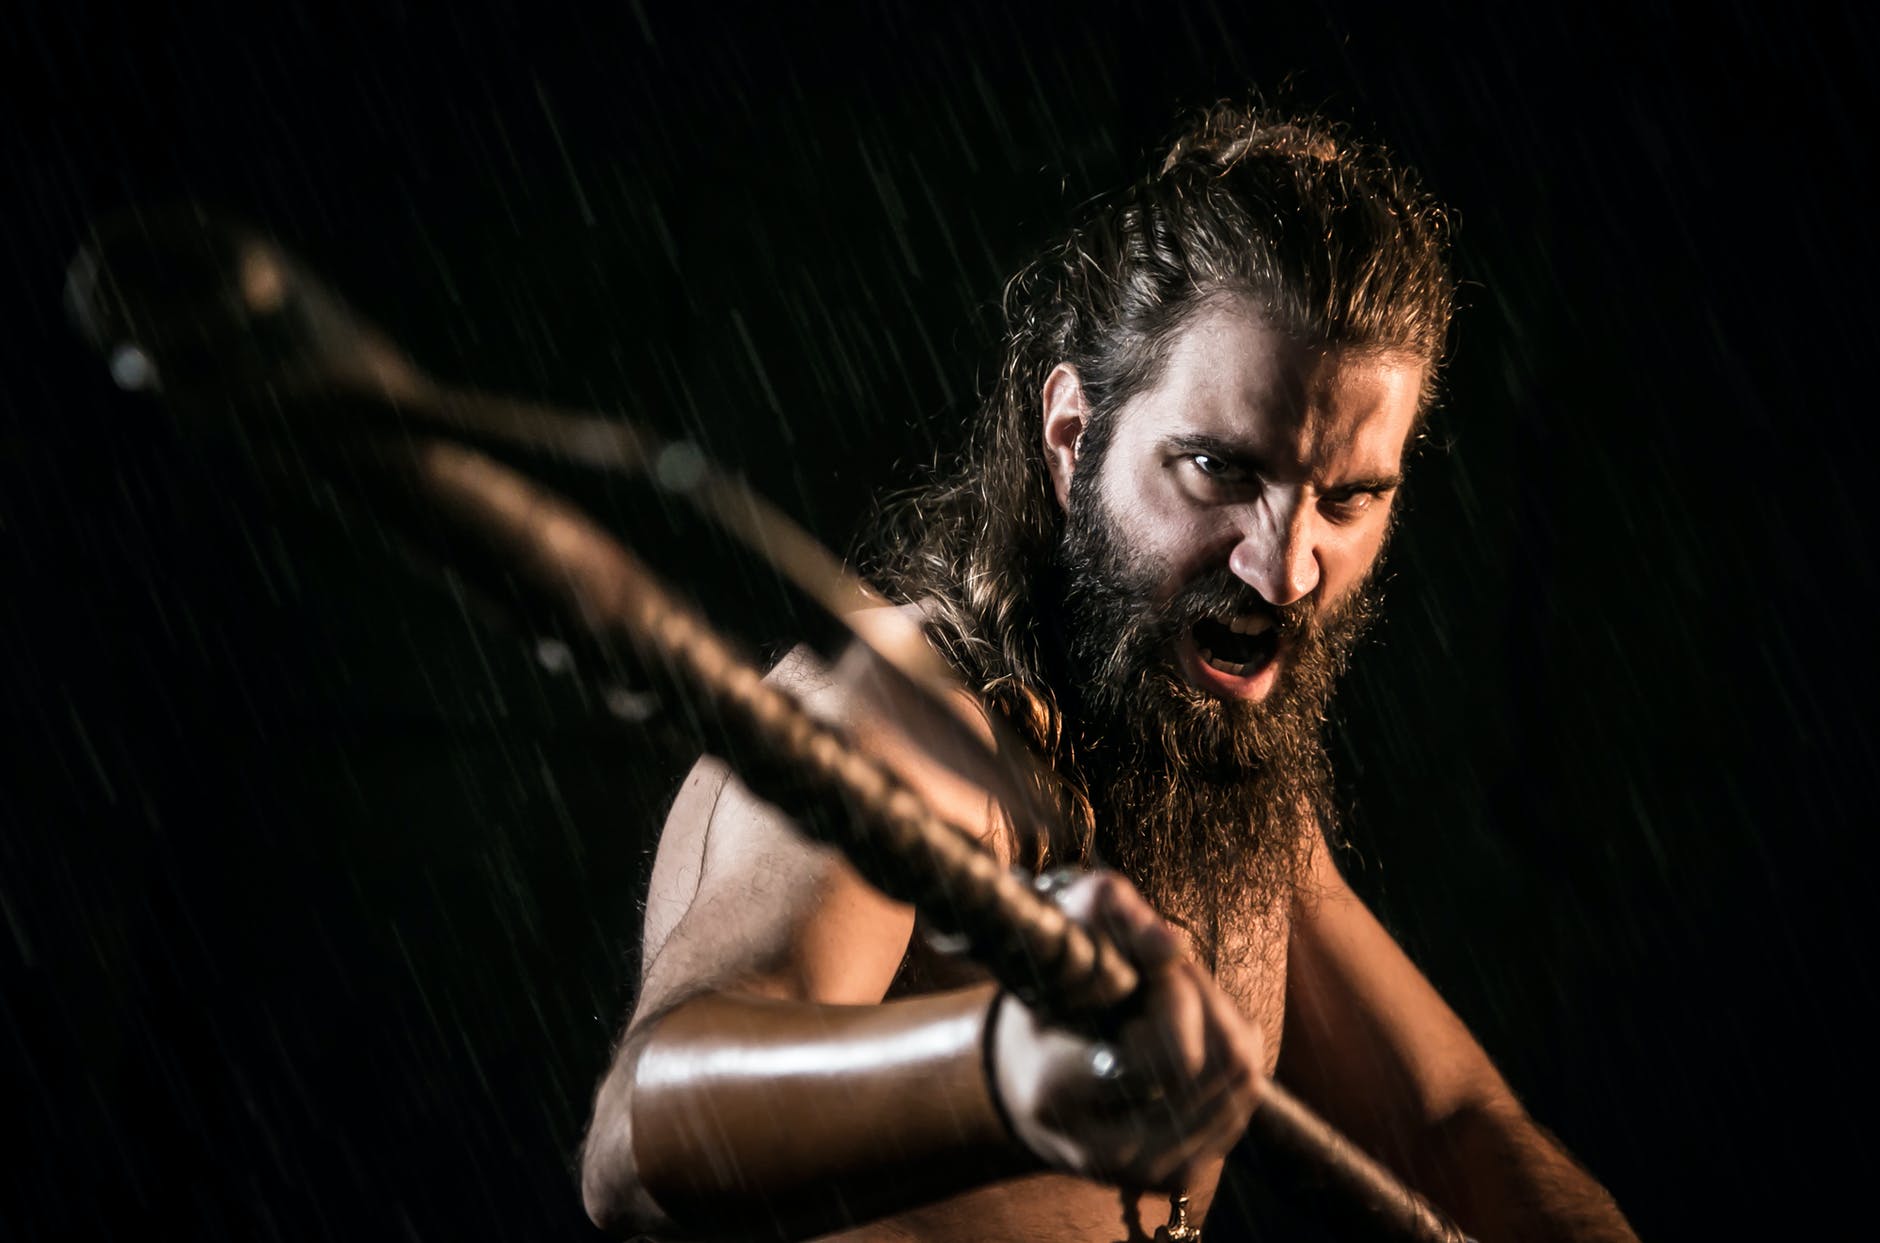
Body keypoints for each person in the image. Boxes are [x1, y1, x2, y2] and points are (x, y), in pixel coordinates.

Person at [579, 104, 1638, 1243]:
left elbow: (1448, 1125)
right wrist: (996, 1070)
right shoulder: (891, 726)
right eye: (1218, 470)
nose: (1282, 568)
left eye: (1347, 499)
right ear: (1072, 436)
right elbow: (636, 1139)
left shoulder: (1213, 787)